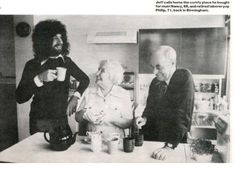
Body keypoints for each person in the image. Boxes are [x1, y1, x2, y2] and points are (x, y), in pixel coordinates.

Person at [16, 20, 90, 135]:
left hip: (61, 120)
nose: (60, 41)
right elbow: (20, 97)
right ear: (43, 40)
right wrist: (39, 79)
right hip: (40, 121)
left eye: (61, 38)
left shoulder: (66, 62)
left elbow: (85, 79)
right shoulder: (32, 65)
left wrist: (75, 98)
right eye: (55, 38)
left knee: (63, 149)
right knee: (41, 152)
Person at [135, 45, 195, 160]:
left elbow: (182, 115)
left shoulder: (183, 76)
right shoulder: (155, 82)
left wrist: (169, 147)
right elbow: (150, 108)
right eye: (152, 67)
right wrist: (144, 119)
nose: (154, 71)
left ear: (172, 63)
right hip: (153, 141)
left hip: (173, 143)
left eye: (158, 67)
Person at [75, 60, 133, 139]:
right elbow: (77, 118)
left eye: (102, 71)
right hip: (92, 142)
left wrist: (109, 118)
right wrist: (83, 111)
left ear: (112, 76)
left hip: (115, 143)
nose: (97, 73)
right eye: (98, 70)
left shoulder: (123, 94)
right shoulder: (88, 92)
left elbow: (128, 123)